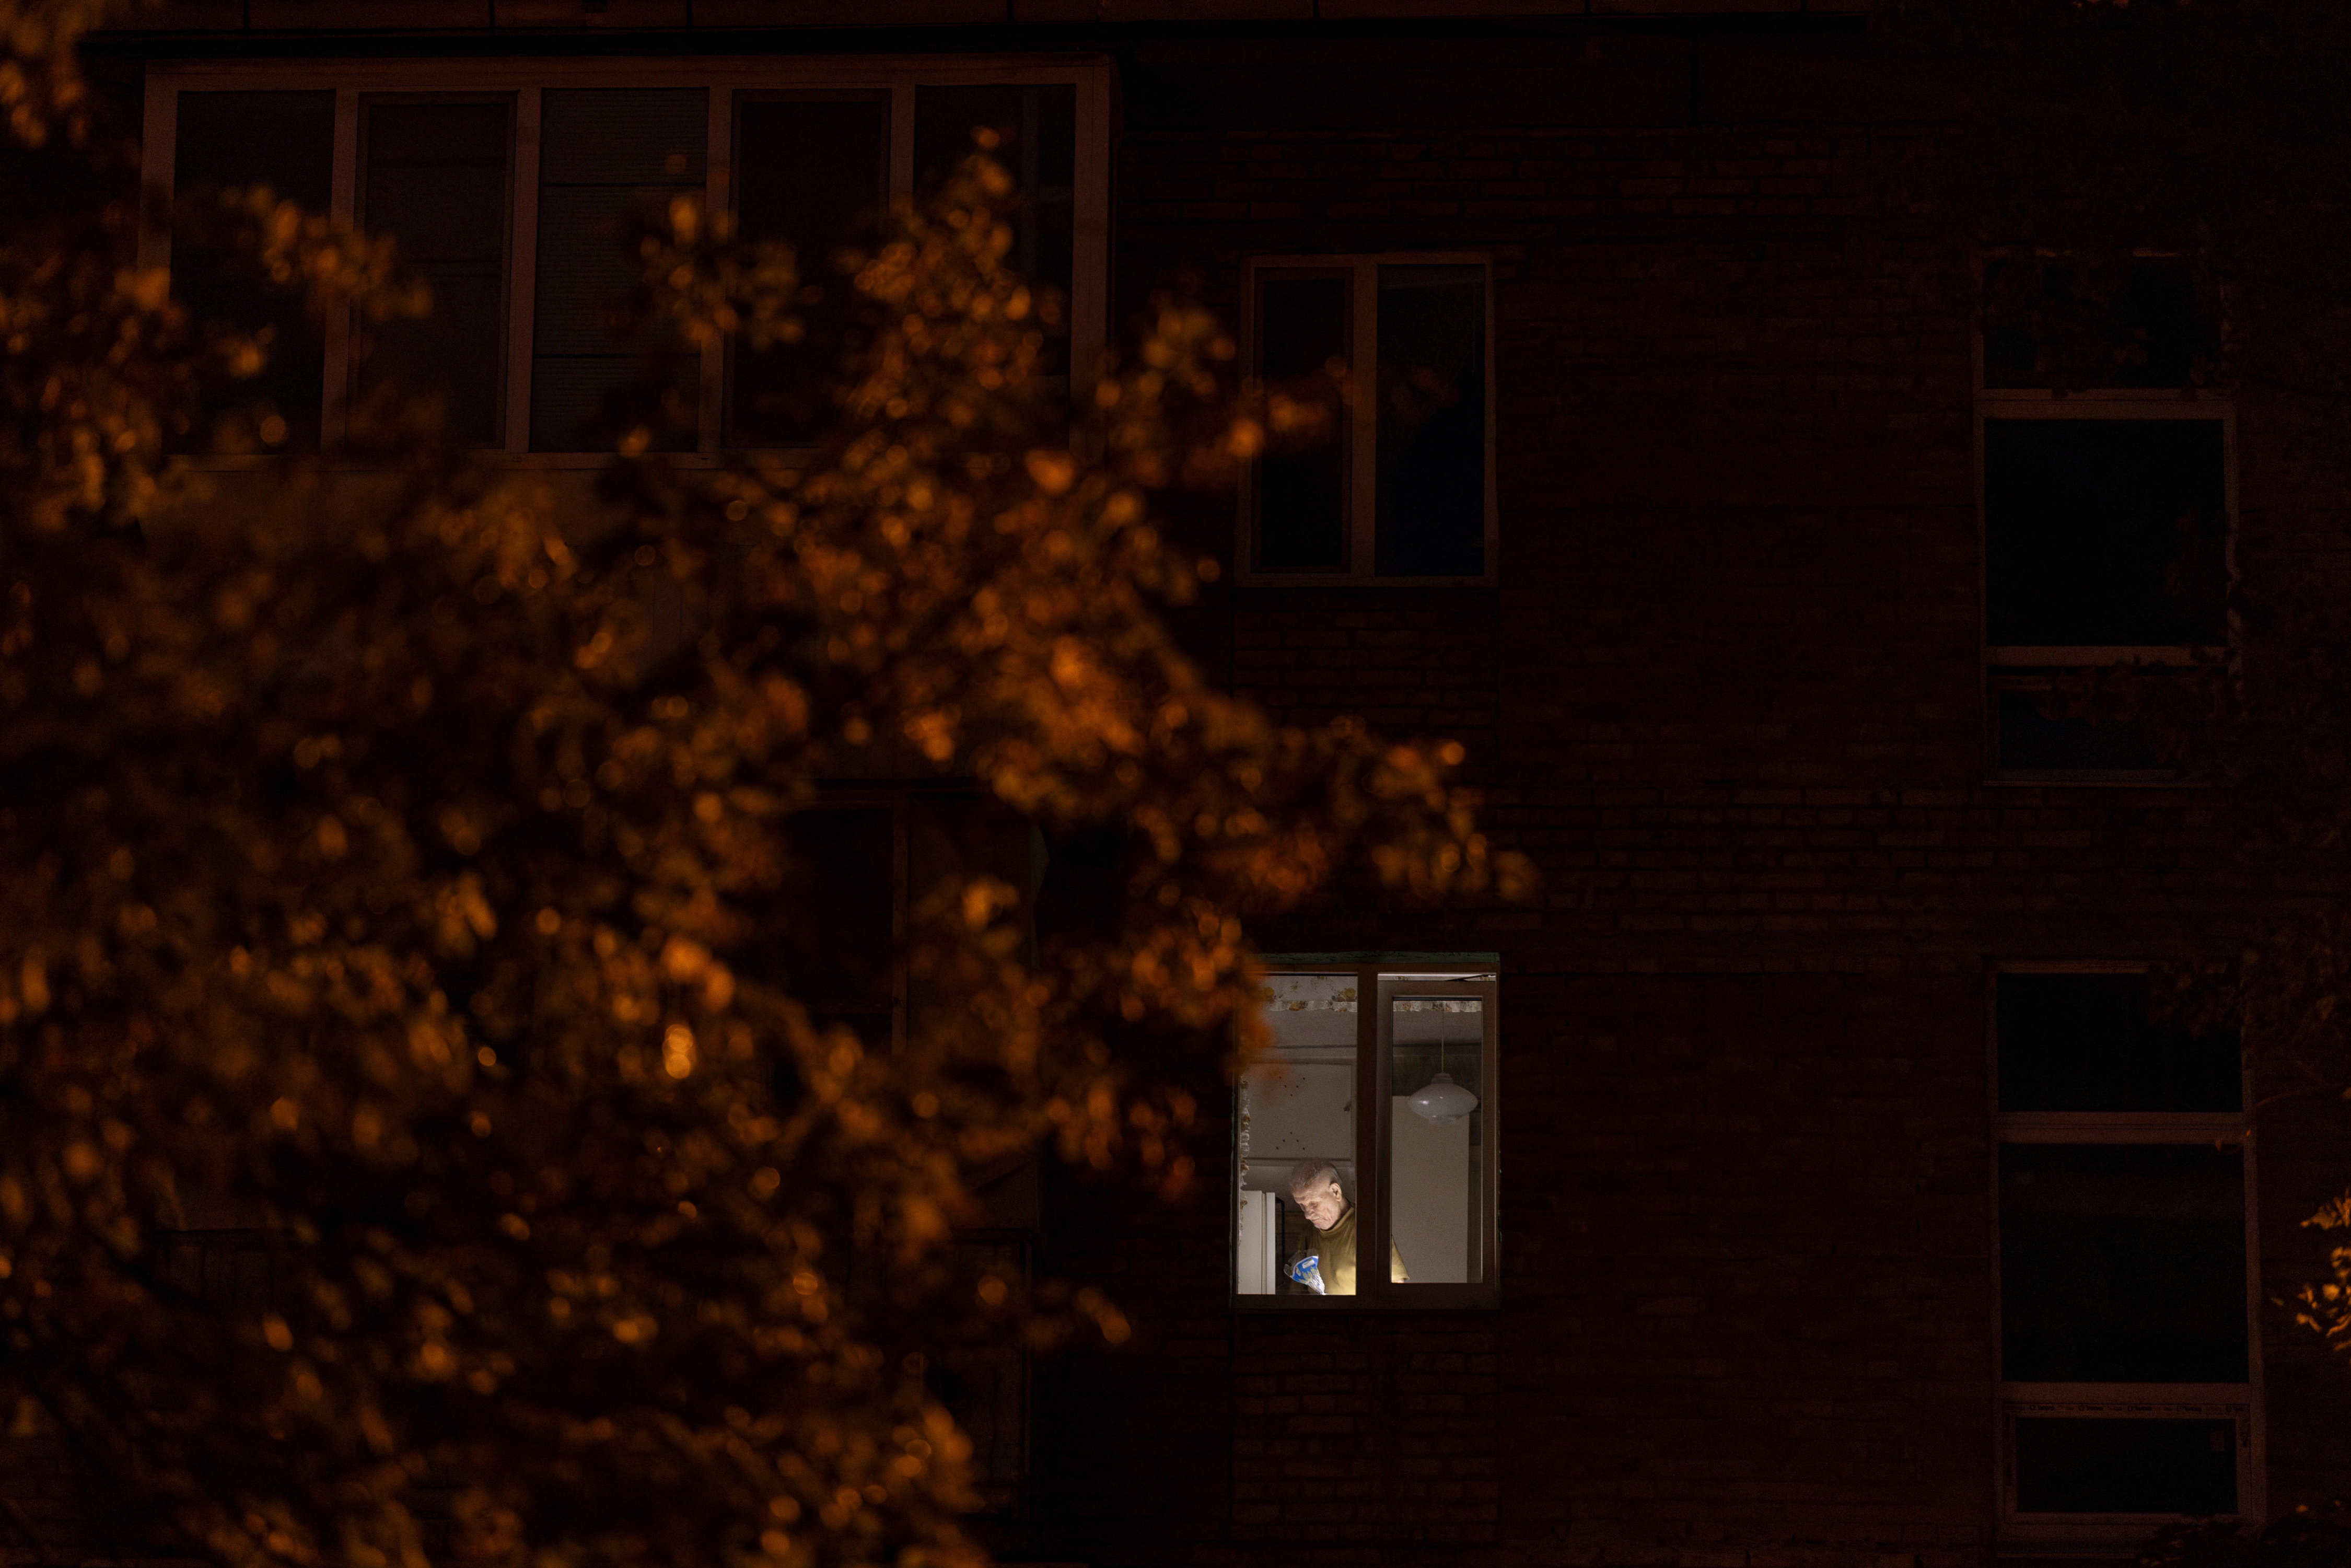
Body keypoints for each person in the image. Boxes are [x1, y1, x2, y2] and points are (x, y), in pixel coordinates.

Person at [1283, 1159, 1407, 1295]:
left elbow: (1395, 1290)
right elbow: (1295, 1296)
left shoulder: (1368, 1229)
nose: (1307, 1214)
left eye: (1314, 1203)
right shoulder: (1307, 1234)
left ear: (1336, 1192)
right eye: (1302, 1205)